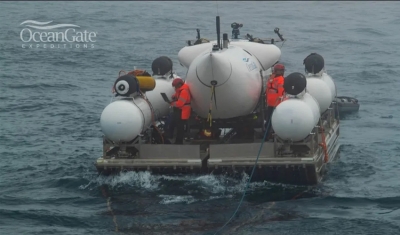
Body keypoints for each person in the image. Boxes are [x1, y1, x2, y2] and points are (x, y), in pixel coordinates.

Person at [265, 63, 285, 139]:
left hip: (270, 102)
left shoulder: (271, 79)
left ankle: (266, 135)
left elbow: (267, 91)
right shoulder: (281, 80)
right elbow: (281, 92)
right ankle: (277, 135)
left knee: (269, 121)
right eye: (282, 71)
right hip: (278, 103)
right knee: (278, 120)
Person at [169, 78, 192, 144]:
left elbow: (180, 103)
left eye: (175, 86)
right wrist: (173, 96)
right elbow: (177, 95)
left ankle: (179, 141)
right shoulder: (180, 90)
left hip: (183, 112)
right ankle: (178, 140)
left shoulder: (184, 91)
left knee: (180, 127)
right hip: (181, 111)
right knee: (179, 126)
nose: (175, 87)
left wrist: (172, 103)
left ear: (179, 85)